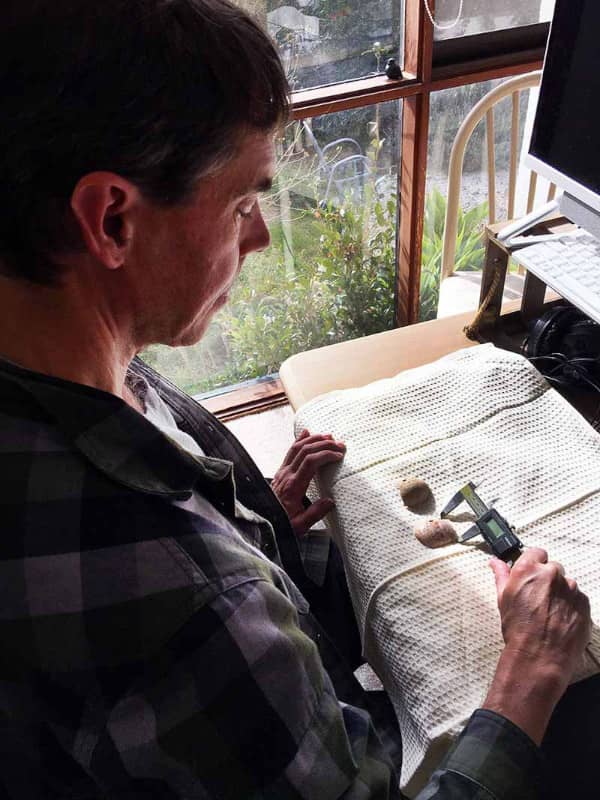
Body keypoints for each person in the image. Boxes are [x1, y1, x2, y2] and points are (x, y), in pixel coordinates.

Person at [0, 1, 592, 798]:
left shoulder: (66, 362)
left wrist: (255, 520)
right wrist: (528, 673)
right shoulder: (198, 616)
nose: (262, 239)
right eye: (244, 203)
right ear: (111, 219)